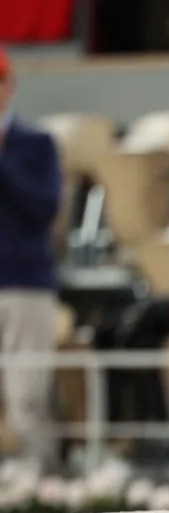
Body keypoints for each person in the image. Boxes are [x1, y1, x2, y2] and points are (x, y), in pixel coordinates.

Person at [0, 46, 62, 474]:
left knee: (28, 397)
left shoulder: (37, 144)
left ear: (9, 85)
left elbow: (43, 207)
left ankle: (41, 496)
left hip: (25, 285)